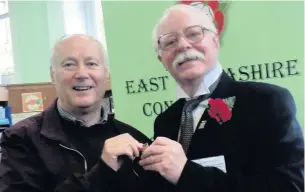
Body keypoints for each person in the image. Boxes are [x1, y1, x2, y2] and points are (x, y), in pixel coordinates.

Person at [139, 4, 304, 192]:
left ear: (215, 41)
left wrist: (186, 173)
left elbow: (290, 186)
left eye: (193, 34)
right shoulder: (165, 121)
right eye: (169, 42)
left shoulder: (266, 102)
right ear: (162, 60)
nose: (183, 45)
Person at [0, 34, 154, 192]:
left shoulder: (134, 139)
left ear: (106, 74)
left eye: (91, 64)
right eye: (69, 65)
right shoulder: (21, 139)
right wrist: (102, 172)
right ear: (52, 75)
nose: (81, 74)